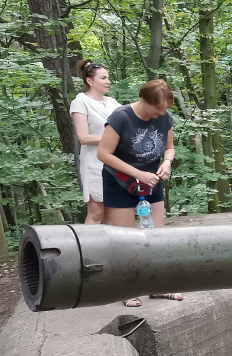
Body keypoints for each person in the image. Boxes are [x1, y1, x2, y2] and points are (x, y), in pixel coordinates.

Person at [97, 79, 182, 306]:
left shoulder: (164, 117)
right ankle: (128, 288)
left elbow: (170, 147)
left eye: (165, 109)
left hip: (151, 181)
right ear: (143, 100)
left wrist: (167, 162)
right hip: (120, 181)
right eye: (158, 108)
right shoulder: (121, 117)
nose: (162, 113)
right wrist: (137, 173)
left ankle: (158, 286)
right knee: (125, 239)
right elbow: (104, 154)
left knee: (156, 236)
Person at [70, 60, 120, 224]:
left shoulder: (112, 102)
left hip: (116, 161)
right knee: (97, 212)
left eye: (108, 77)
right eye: (103, 78)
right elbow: (83, 137)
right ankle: (87, 249)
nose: (108, 81)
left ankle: (110, 248)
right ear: (90, 81)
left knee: (113, 211)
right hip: (94, 162)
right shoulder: (80, 102)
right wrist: (113, 137)